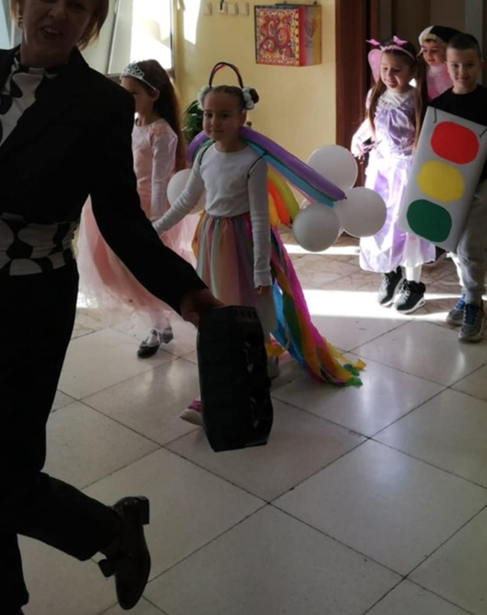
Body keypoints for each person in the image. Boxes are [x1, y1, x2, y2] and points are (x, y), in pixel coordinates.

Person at [0, 0, 218, 615]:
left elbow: (121, 216)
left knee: (2, 482)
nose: (58, 12)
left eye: (77, 6)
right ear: (21, 0)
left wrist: (185, 289)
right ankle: (1, 607)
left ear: (91, 26)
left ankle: (110, 531)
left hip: (29, 303)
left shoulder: (99, 104)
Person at [155, 77, 362, 424]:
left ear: (242, 118)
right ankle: (244, 371)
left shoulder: (253, 161)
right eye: (208, 114)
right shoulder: (204, 154)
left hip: (243, 240)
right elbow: (187, 200)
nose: (214, 122)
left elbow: (260, 216)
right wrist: (157, 227)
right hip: (212, 238)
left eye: (224, 115)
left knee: (248, 308)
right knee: (217, 310)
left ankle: (236, 380)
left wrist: (262, 269)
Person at [77, 59, 197, 359]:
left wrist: (155, 221)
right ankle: (159, 324)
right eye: (124, 91)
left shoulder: (162, 133)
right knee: (116, 270)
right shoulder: (131, 123)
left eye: (133, 93)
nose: (125, 98)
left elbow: (159, 180)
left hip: (144, 208)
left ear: (154, 94)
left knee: (143, 271)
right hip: (120, 199)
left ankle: (160, 325)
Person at [431, 32, 487, 342]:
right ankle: (468, 296)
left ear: (479, 65)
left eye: (468, 65)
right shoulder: (439, 105)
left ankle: (475, 302)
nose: (461, 72)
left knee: (469, 247)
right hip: (450, 190)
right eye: (454, 65)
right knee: (454, 245)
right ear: (446, 66)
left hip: (483, 188)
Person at [352, 36, 435, 313]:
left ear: (412, 71)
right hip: (380, 169)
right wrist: (359, 137)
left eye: (397, 70)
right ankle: (390, 273)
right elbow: (372, 122)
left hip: (406, 171)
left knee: (408, 226)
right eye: (385, 68)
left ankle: (413, 285)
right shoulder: (375, 95)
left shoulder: (416, 100)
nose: (389, 75)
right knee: (381, 222)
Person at [418, 25, 461, 101]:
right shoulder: (423, 73)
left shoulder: (454, 74)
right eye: (425, 50)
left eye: (434, 50)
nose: (428, 55)